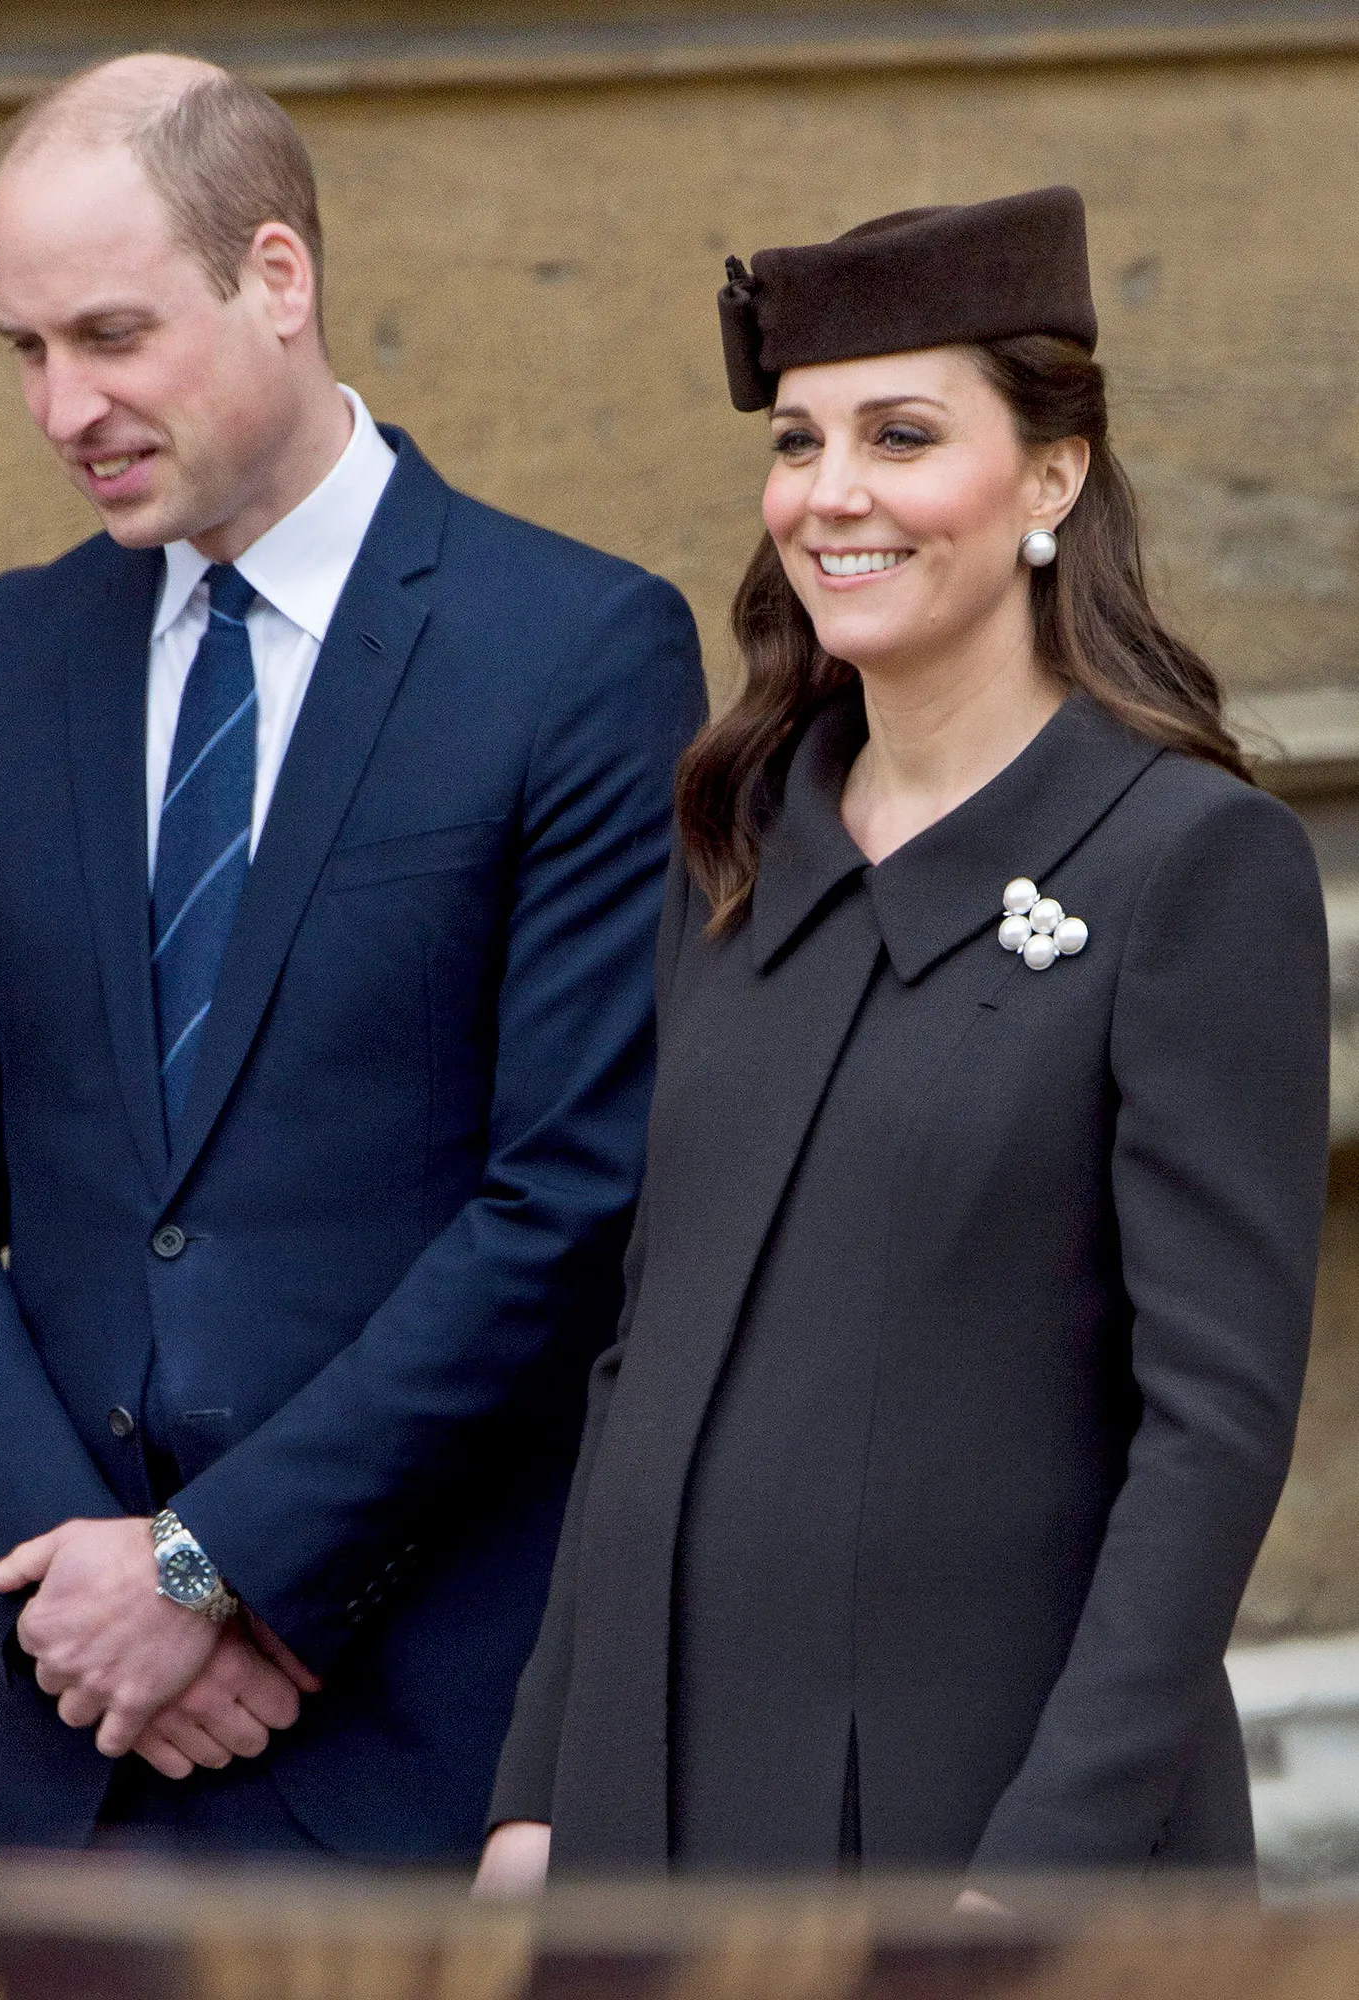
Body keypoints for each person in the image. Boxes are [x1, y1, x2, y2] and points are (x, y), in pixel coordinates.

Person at [0, 54, 704, 1860]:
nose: (67, 404)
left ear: (276, 278)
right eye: (23, 349)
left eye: (113, 334)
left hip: (422, 1744)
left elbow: (572, 1193)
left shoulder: (578, 652)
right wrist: (93, 1599)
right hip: (82, 1755)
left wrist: (218, 1570)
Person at [477, 187, 1329, 1894]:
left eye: (904, 432)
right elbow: (645, 1349)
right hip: (656, 1817)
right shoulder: (730, 839)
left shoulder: (1189, 866)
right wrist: (537, 1795)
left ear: (1054, 475)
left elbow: (1210, 1437)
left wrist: (1038, 1874)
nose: (831, 492)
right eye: (798, 439)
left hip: (975, 1825)